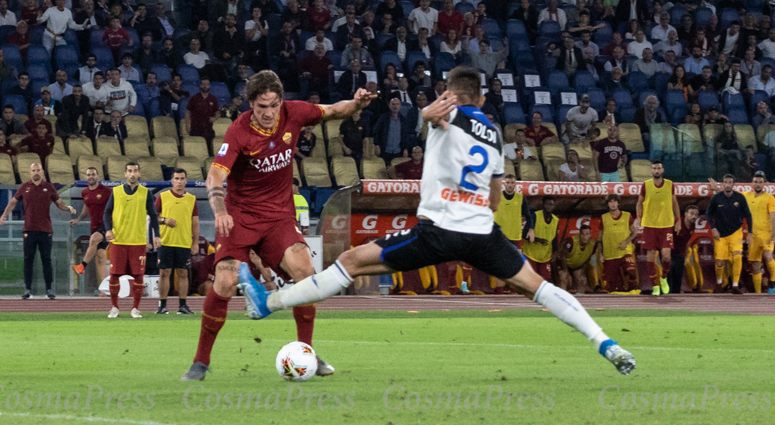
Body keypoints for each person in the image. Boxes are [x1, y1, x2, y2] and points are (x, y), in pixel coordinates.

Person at [238, 68, 636, 376]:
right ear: (482, 97)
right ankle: (606, 343)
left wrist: (428, 114)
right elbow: (496, 197)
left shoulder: (446, 114)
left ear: (452, 93)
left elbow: (431, 115)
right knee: (538, 287)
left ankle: (267, 303)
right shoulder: (495, 134)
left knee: (353, 261)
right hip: (482, 232)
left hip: (440, 231)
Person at [180, 70, 376, 381]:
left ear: (280, 101)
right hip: (240, 218)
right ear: (251, 105)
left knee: (305, 272)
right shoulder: (238, 131)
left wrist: (357, 103)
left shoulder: (294, 113)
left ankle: (306, 354)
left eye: (273, 105)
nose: (269, 113)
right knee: (226, 282)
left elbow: (333, 110)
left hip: (278, 217)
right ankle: (200, 361)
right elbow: (215, 175)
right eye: (261, 107)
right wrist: (219, 211)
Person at [0, 162, 76, 299]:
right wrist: (4, 216)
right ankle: (27, 289)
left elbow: (59, 203)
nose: (36, 172)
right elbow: (12, 203)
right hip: (29, 229)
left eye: (38, 170)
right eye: (33, 170)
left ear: (42, 171)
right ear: (30, 172)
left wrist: (68, 208)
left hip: (45, 229)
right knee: (28, 260)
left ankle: (49, 289)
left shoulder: (48, 187)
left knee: (46, 259)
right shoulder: (24, 187)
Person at [103, 161, 162, 318]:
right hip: (119, 240)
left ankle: (135, 308)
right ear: (125, 174)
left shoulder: (145, 193)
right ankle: (114, 307)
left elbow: (154, 215)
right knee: (115, 275)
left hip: (137, 241)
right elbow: (106, 212)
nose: (132, 174)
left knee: (138, 276)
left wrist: (157, 235)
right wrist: (108, 230)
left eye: (135, 171)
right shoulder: (116, 191)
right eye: (129, 171)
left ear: (139, 174)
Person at [155, 169, 199, 315]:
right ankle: (162, 305)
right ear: (172, 181)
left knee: (183, 273)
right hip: (166, 241)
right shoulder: (162, 197)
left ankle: (182, 305)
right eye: (176, 178)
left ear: (186, 181)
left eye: (182, 178)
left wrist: (196, 242)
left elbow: (195, 222)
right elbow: (152, 218)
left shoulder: (191, 199)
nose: (179, 181)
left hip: (184, 242)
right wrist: (164, 220)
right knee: (164, 273)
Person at [636, 161, 681, 296]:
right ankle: (655, 285)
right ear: (651, 171)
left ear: (662, 170)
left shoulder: (669, 184)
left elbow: (674, 203)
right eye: (654, 168)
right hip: (650, 225)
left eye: (659, 168)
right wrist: (638, 217)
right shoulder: (646, 185)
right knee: (650, 257)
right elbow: (639, 203)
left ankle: (664, 278)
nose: (656, 170)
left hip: (666, 224)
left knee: (666, 256)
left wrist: (678, 220)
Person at [705, 174, 752, 294]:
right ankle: (719, 283)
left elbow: (748, 215)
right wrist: (713, 228)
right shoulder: (716, 198)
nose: (727, 184)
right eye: (725, 182)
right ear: (723, 183)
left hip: (736, 232)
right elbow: (709, 214)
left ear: (733, 184)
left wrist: (750, 233)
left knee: (737, 257)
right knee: (720, 262)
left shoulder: (740, 198)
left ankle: (735, 285)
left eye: (730, 182)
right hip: (720, 234)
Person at [70, 167, 113, 292]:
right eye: (88, 175)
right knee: (100, 257)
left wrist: (113, 226)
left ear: (97, 176)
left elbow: (114, 207)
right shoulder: (85, 193)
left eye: (93, 174)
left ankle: (81, 266)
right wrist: (78, 219)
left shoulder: (106, 191)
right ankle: (105, 289)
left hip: (106, 225)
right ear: (86, 176)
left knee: (94, 240)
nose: (91, 177)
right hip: (93, 226)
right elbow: (86, 208)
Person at [740, 172, 775, 294]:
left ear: (764, 184)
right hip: (753, 236)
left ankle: (773, 281)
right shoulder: (746, 196)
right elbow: (731, 194)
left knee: (768, 255)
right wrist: (717, 188)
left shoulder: (769, 198)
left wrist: (773, 233)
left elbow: (772, 216)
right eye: (756, 181)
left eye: (760, 182)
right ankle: (758, 293)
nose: (758, 184)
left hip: (766, 234)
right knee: (755, 265)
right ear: (752, 183)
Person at [598, 194, 638, 293]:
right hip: (610, 254)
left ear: (618, 203)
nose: (613, 204)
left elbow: (634, 232)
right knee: (612, 284)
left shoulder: (627, 215)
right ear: (607, 204)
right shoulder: (604, 218)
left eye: (614, 201)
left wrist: (626, 241)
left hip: (625, 251)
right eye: (610, 202)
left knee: (631, 271)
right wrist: (600, 253)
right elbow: (599, 238)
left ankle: (633, 293)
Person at [521, 196, 558, 281]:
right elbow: (524, 234)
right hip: (531, 255)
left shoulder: (556, 220)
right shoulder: (535, 216)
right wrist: (538, 240)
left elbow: (555, 238)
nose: (549, 206)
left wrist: (555, 252)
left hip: (545, 256)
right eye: (547, 204)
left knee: (545, 281)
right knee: (530, 280)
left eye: (551, 205)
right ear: (543, 205)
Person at [560, 224, 596, 294]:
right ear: (579, 235)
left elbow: (587, 259)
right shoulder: (571, 241)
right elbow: (562, 255)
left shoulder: (593, 244)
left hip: (576, 266)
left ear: (590, 235)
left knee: (582, 280)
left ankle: (580, 300)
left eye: (587, 234)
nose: (585, 237)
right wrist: (565, 270)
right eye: (583, 234)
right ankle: (561, 298)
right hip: (563, 264)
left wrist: (582, 272)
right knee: (564, 278)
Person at [186, 78, 220, 143]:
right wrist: (187, 126)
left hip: (208, 129)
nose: (205, 86)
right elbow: (187, 112)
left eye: (207, 84)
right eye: (203, 84)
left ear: (209, 86)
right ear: (200, 85)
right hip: (195, 128)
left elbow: (217, 113)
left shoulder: (213, 99)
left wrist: (214, 118)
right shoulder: (194, 98)